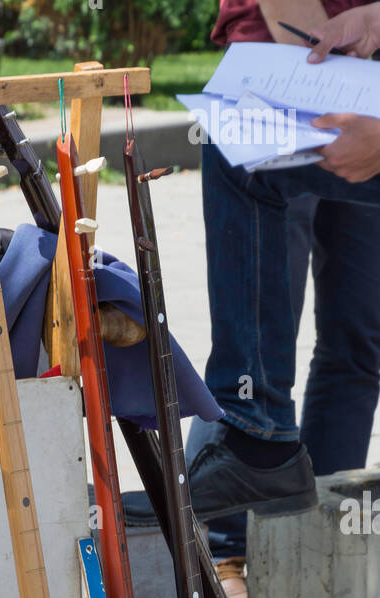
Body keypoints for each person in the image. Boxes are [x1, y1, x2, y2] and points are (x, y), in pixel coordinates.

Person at [126, 0, 380, 539]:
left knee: (354, 343)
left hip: (352, 92)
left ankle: (292, 511)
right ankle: (229, 534)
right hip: (309, 69)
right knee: (244, 162)